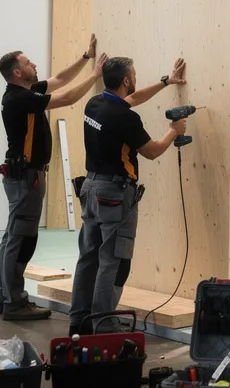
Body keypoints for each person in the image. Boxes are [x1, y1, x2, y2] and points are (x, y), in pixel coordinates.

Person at [69, 55, 187, 335]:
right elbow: (153, 150)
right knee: (114, 261)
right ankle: (104, 324)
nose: (135, 78)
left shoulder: (95, 103)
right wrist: (174, 131)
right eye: (133, 74)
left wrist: (165, 82)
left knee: (89, 257)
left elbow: (132, 98)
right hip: (115, 195)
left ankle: (80, 318)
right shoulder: (125, 118)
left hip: (91, 189)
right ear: (126, 80)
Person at [0, 36, 107, 321]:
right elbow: (67, 97)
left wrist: (84, 58)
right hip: (26, 178)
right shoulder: (19, 98)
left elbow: (58, 79)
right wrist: (94, 76)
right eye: (27, 62)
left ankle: (4, 297)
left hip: (27, 177)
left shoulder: (27, 91)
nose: (33, 64)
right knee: (21, 240)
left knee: (14, 237)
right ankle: (14, 302)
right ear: (17, 73)